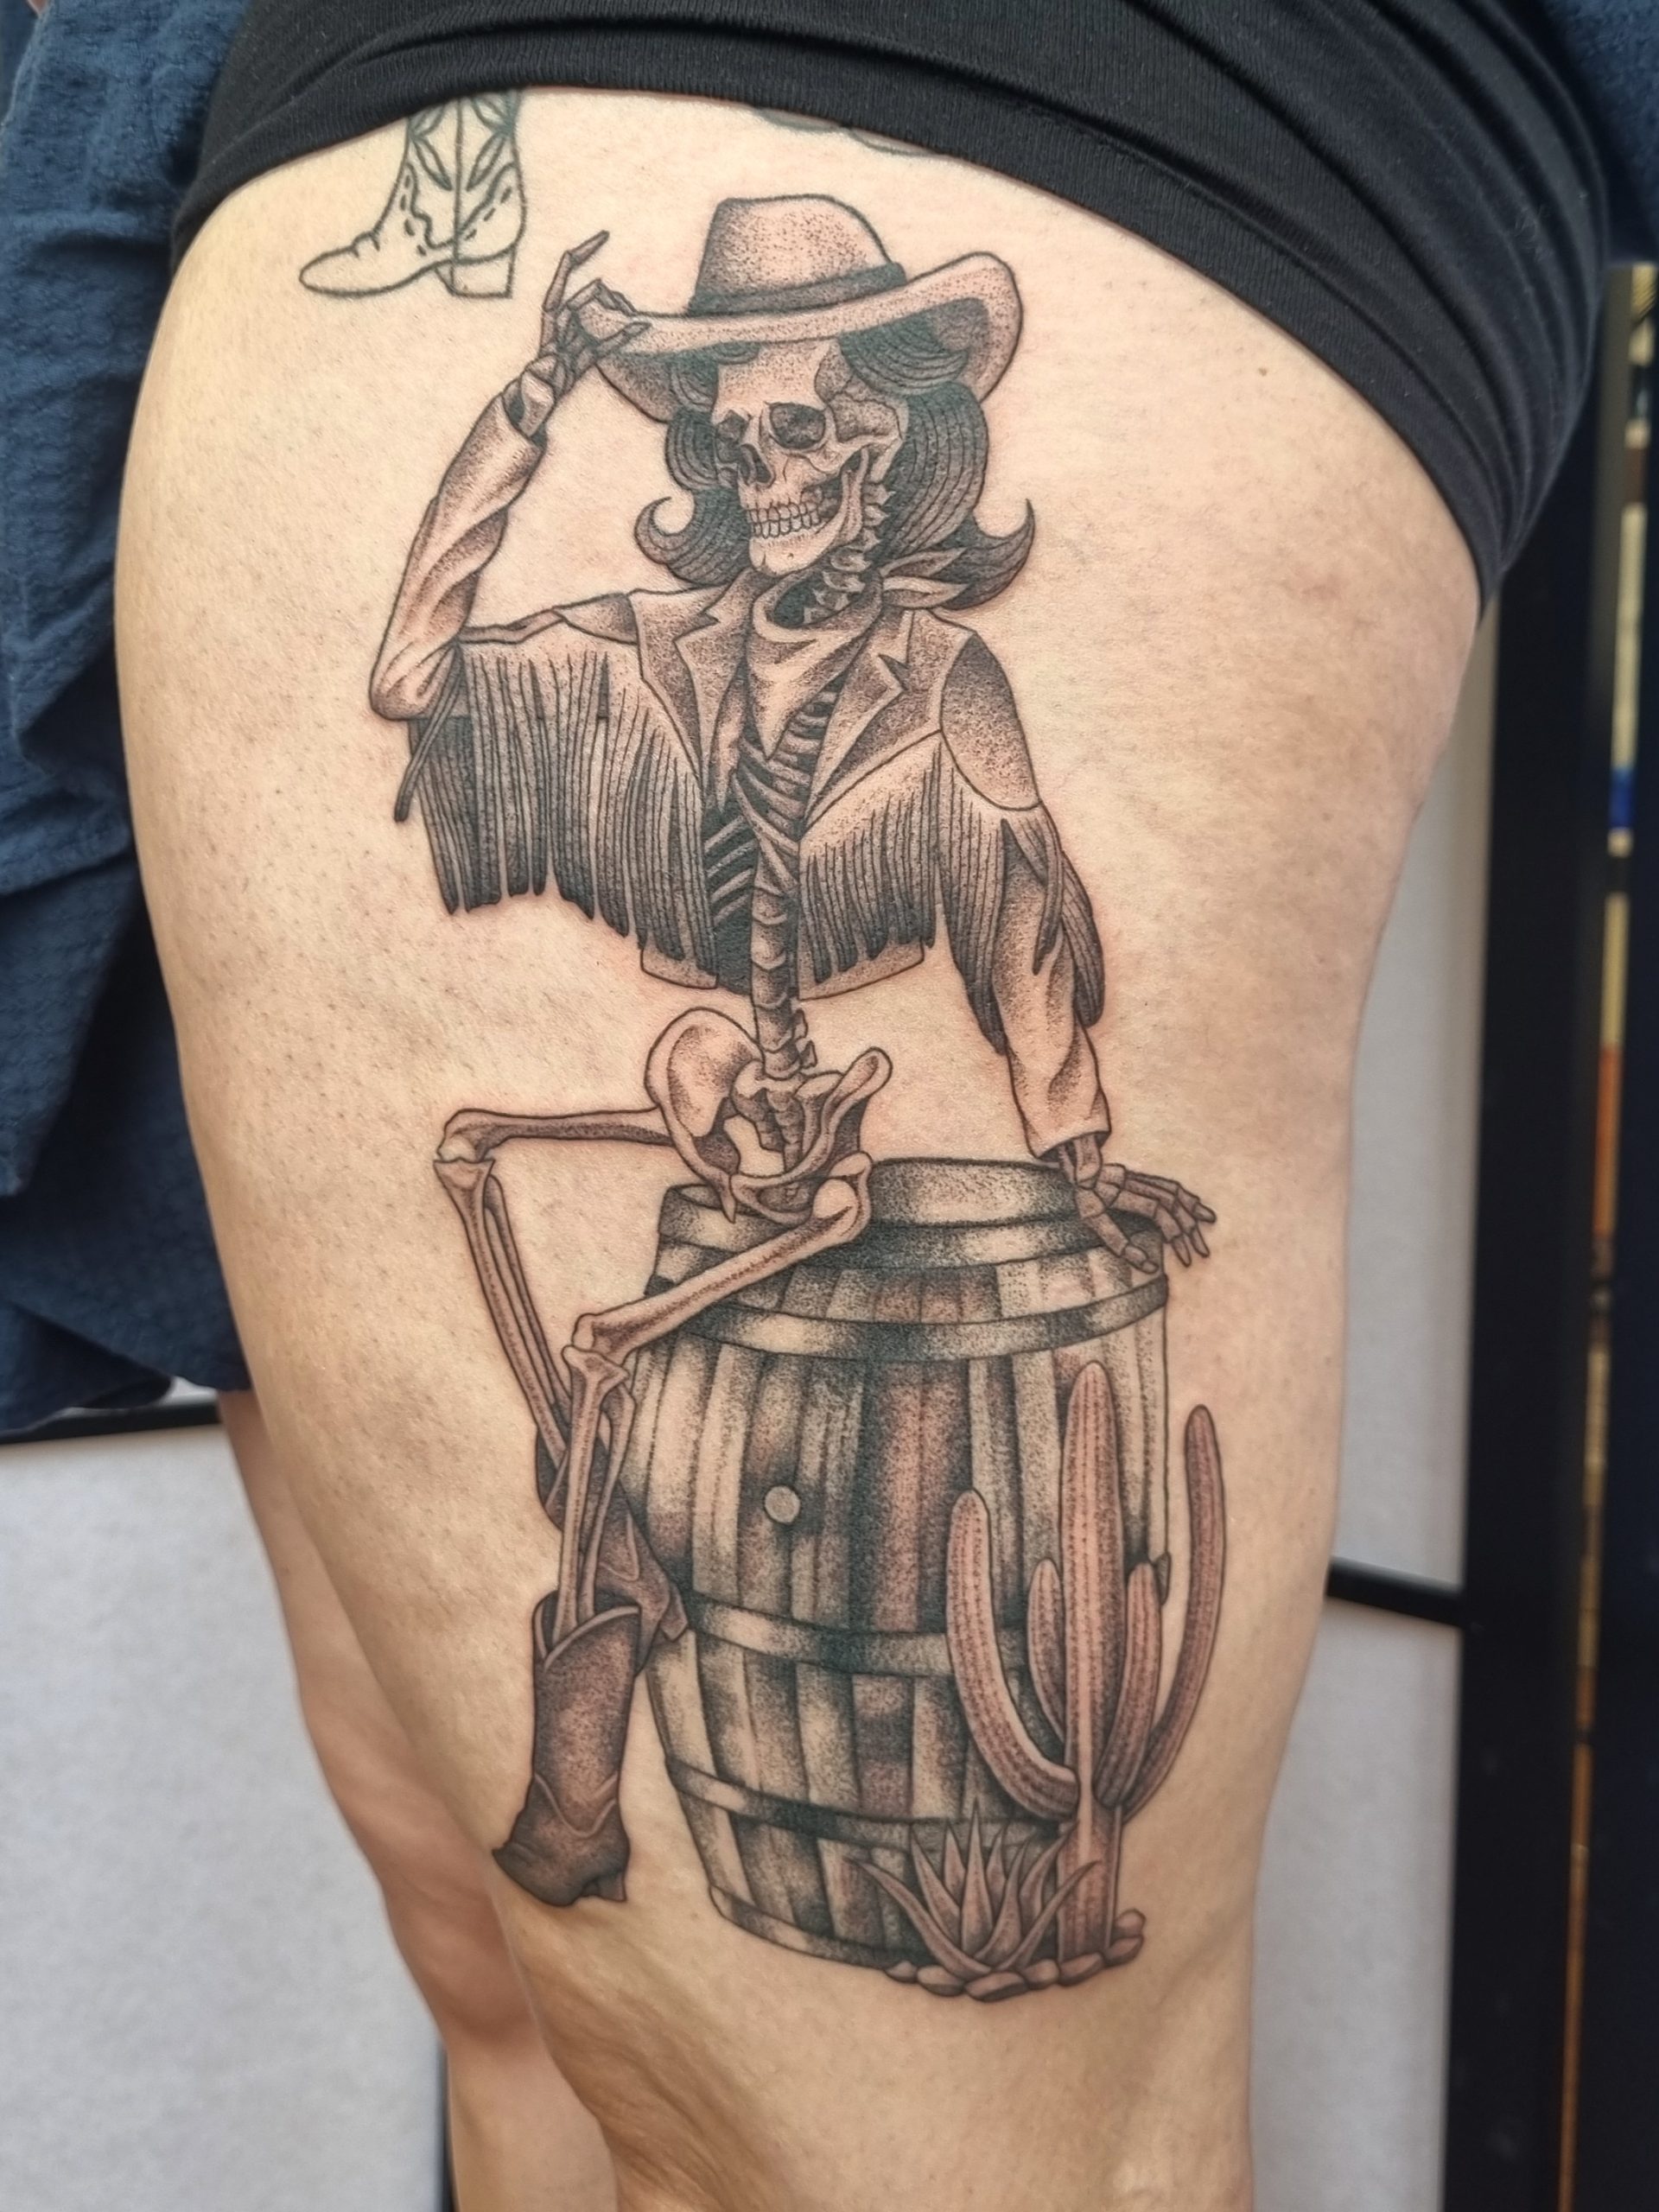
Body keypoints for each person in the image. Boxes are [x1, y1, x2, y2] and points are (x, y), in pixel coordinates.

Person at [5, 2, 1658, 2205]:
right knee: (491, 1952)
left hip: (1049, 63)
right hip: (164, 126)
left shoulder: (946, 683)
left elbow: (1026, 915)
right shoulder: (634, 656)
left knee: (868, 2154)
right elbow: (413, 675)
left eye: (817, 428)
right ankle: (597, 1711)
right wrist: (530, 394)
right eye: (736, 428)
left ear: (891, 443)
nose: (775, 465)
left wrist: (1079, 1150)